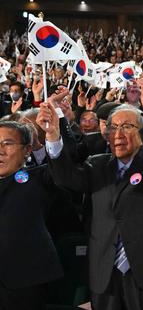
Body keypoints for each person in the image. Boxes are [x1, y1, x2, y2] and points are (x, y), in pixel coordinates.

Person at [37, 80, 143, 310]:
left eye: (127, 127)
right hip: (104, 270)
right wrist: (53, 136)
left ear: (141, 132)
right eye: (113, 127)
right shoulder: (97, 165)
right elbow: (66, 177)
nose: (118, 133)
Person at [0, 121, 64, 310]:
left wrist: (50, 136)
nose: (0, 151)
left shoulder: (38, 178)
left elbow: (61, 172)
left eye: (7, 143)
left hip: (23, 282)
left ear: (27, 150)